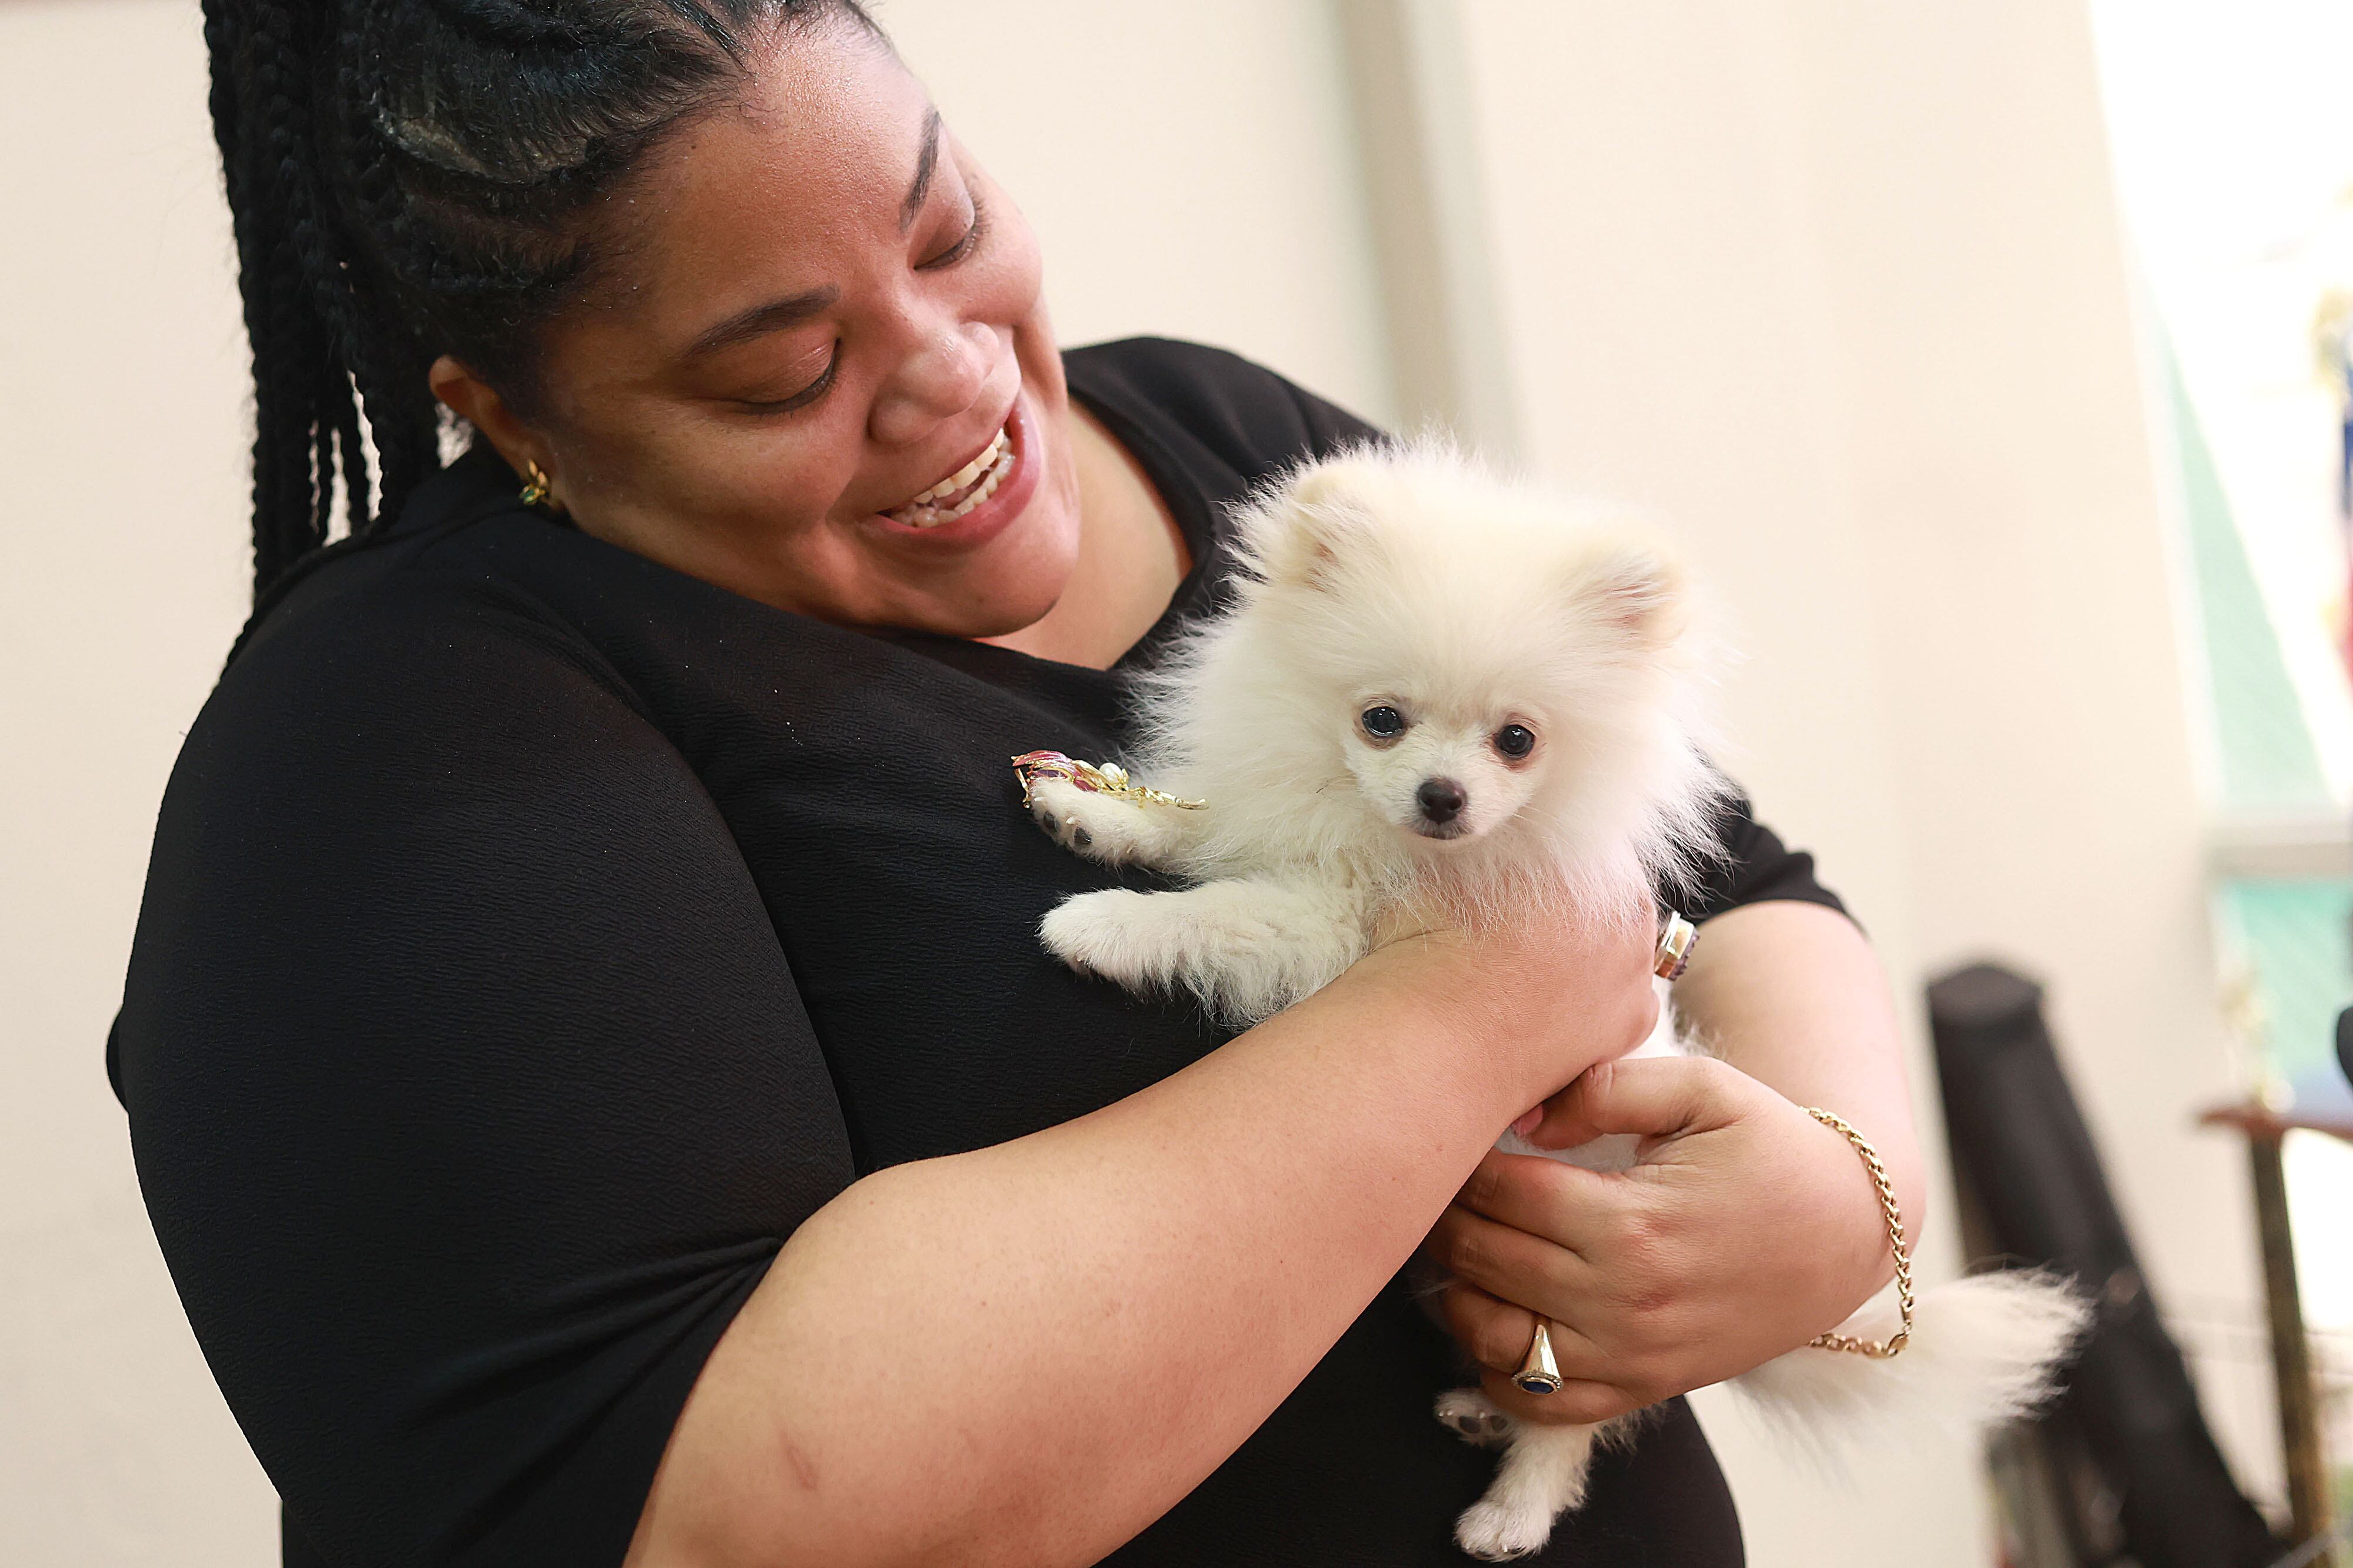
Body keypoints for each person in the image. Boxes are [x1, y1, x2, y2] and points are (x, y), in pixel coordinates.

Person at [113, 4, 1924, 1564]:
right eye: (790, 371)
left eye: (950, 225)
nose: (956, 376)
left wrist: (1841, 1201)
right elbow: (723, 1508)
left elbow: (1736, 874)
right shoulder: (401, 736)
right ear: (517, 418)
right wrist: (1481, 996)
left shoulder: (1231, 440)